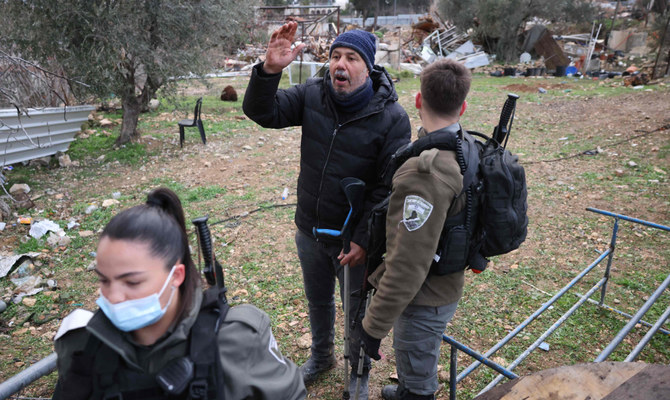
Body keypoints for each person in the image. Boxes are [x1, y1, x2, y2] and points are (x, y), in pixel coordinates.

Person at [243, 22, 411, 397]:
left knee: (357, 310)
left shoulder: (392, 118)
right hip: (311, 229)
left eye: (351, 58)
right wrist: (269, 70)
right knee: (317, 300)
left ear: (367, 68)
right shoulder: (313, 94)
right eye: (336, 56)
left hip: (352, 240)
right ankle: (322, 358)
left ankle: (359, 370)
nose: (341, 64)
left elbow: (388, 188)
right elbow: (263, 112)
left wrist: (365, 240)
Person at [52, 188, 305, 400]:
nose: (113, 296)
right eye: (104, 280)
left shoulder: (235, 340)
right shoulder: (81, 343)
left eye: (132, 282)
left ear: (176, 276)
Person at [352, 59, 472, 400]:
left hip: (424, 297)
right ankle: (407, 388)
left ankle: (413, 393)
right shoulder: (463, 146)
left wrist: (372, 328)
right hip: (445, 281)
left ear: (418, 101)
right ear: (462, 107)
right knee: (417, 359)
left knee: (419, 374)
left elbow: (407, 264)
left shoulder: (426, 174)